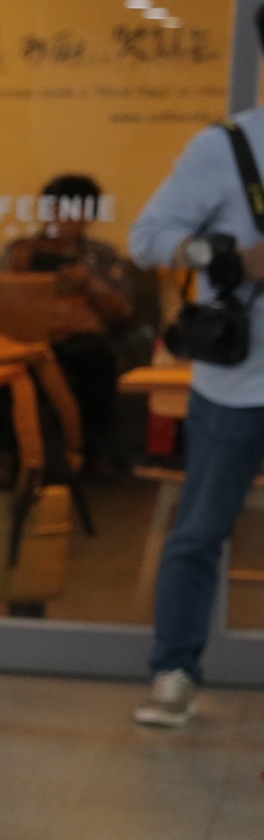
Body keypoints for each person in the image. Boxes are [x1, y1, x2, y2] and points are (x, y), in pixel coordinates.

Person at [127, 72, 264, 728]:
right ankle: (174, 671)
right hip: (235, 381)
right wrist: (231, 256)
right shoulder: (227, 147)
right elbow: (148, 236)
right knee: (201, 529)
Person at [1, 173, 154, 473]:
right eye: (57, 209)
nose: (64, 219)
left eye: (75, 211)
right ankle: (9, 451)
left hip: (81, 340)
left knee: (94, 355)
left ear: (89, 216)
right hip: (27, 336)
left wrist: (90, 285)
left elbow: (123, 311)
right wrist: (20, 276)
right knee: (6, 361)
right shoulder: (20, 249)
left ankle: (92, 448)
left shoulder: (101, 255)